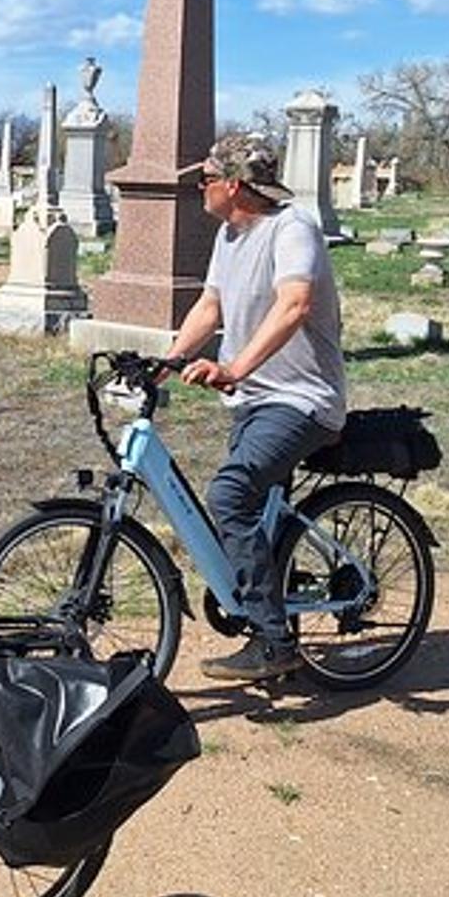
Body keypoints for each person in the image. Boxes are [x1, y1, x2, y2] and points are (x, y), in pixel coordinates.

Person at [163, 134, 346, 682]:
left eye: (207, 179)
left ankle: (274, 643)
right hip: (254, 401)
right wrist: (167, 360)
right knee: (249, 510)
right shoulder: (230, 234)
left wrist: (235, 367)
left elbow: (295, 304)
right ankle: (270, 603)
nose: (201, 188)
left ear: (235, 185)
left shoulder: (293, 229)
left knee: (230, 494)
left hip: (301, 399)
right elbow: (209, 305)